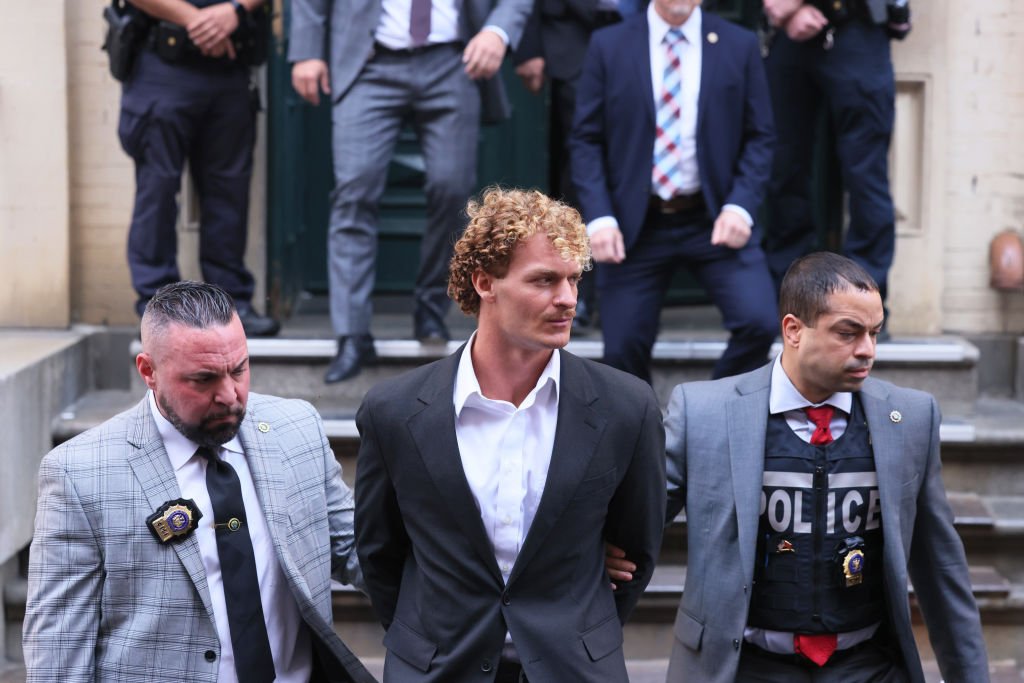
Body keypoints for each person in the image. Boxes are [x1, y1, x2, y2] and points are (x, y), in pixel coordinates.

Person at [354, 188, 666, 681]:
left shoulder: (626, 407)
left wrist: (577, 627)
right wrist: (427, 638)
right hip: (437, 668)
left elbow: (638, 552)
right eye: (543, 280)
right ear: (484, 282)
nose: (567, 299)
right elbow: (379, 555)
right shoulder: (394, 410)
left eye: (573, 279)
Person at [653, 252, 988, 681]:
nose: (866, 350)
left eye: (874, 333)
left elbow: (941, 567)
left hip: (868, 666)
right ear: (793, 330)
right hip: (743, 666)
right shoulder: (704, 412)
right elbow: (638, 524)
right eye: (848, 333)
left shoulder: (910, 418)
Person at [23, 282, 373, 683]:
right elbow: (59, 651)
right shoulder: (79, 473)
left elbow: (355, 550)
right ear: (148, 372)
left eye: (239, 369)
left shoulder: (297, 429)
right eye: (203, 379)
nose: (229, 395)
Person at [289, 0, 532, 383]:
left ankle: (432, 308)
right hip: (367, 61)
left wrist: (496, 30)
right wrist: (306, 50)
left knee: (453, 190)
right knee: (355, 192)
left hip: (454, 61)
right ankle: (352, 334)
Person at [570, 0, 779, 383]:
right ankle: (644, 435)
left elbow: (760, 137)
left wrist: (741, 207)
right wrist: (599, 218)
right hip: (636, 225)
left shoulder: (739, 43)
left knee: (760, 322)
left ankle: (711, 416)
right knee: (621, 347)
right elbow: (586, 141)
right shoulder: (609, 44)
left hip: (712, 217)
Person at [117, 0, 280, 336]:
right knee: (157, 193)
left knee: (229, 192)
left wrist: (233, 11)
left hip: (231, 66)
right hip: (162, 64)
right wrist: (197, 20)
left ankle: (230, 309)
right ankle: (158, 312)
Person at [759, 0, 910, 308]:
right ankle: (789, 298)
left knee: (866, 176)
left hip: (858, 26)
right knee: (782, 167)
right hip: (786, 34)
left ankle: (862, 303)